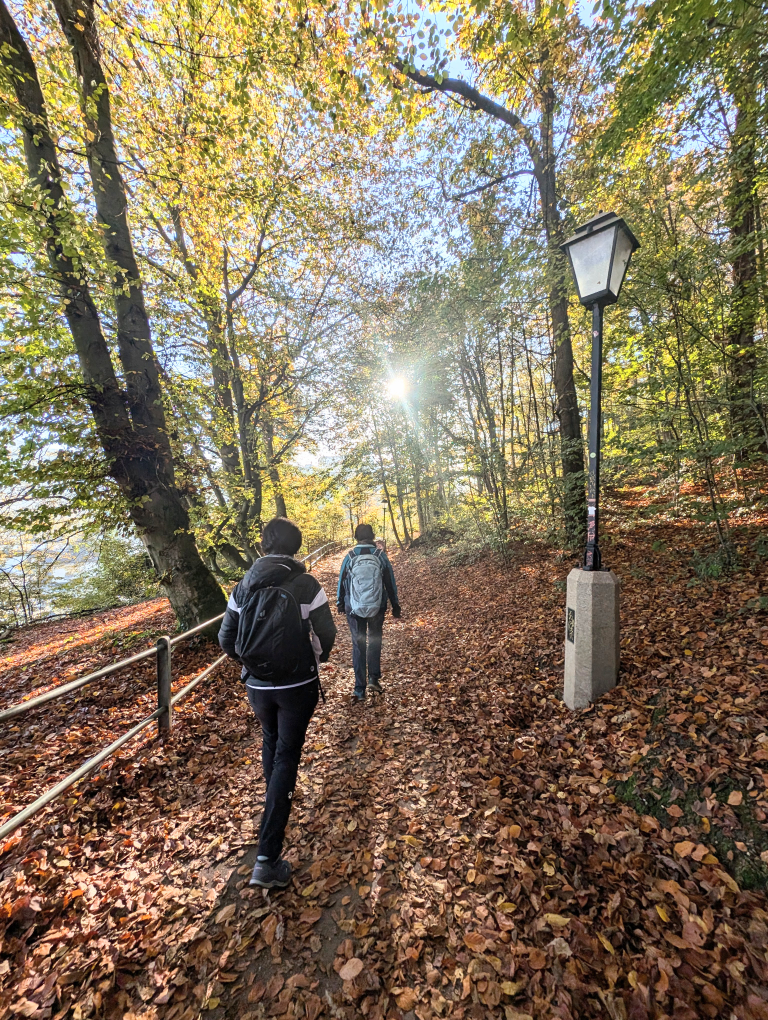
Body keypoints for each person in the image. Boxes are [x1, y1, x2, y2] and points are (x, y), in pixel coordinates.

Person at [218, 517, 336, 889]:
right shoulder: (306, 584)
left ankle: (275, 804)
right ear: (296, 546)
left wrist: (252, 664)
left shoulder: (242, 587)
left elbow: (226, 639)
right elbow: (328, 632)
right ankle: (267, 859)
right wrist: (318, 657)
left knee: (271, 743)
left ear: (264, 546)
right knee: (287, 754)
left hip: (257, 686)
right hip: (297, 684)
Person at [337, 523, 401, 701]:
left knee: (358, 645)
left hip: (354, 608)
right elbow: (390, 582)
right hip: (377, 607)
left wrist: (340, 602)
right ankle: (373, 679)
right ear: (372, 536)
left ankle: (359, 689)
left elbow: (341, 580)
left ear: (356, 537)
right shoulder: (380, 556)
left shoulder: (350, 556)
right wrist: (395, 605)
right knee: (374, 641)